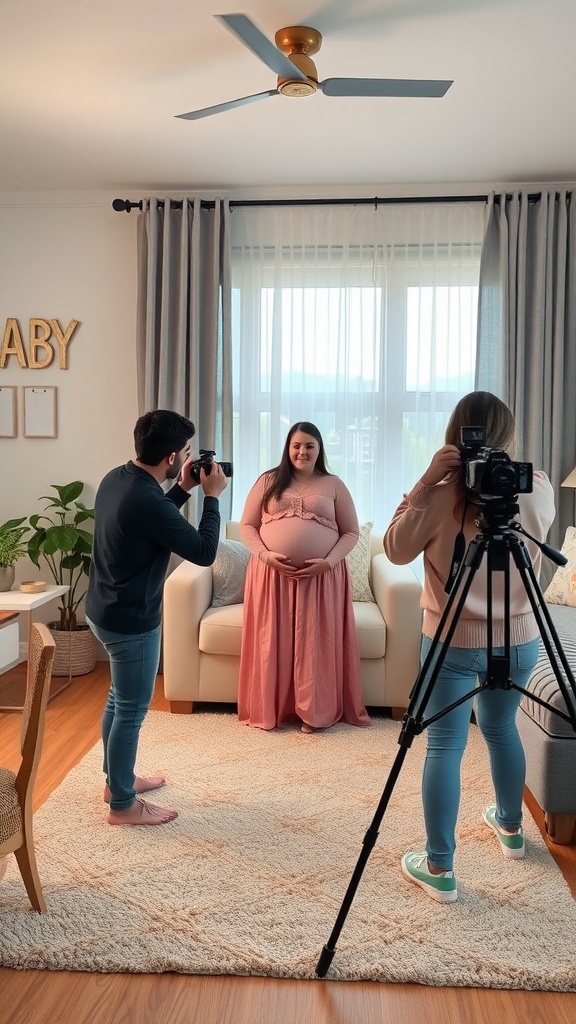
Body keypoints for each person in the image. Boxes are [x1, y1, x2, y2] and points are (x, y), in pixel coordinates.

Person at [383, 391, 555, 903]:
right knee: (502, 729)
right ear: (507, 435)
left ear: (457, 436)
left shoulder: (439, 497)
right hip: (519, 640)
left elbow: (394, 548)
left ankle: (440, 867)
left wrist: (425, 482)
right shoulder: (536, 486)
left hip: (451, 641)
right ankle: (511, 827)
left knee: (445, 746)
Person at [86, 410, 228, 826]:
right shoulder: (146, 498)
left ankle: (117, 781)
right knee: (130, 711)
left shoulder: (118, 478)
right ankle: (123, 805)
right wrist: (213, 497)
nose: (187, 458)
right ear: (170, 457)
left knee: (119, 700)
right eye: (185, 452)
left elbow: (152, 519)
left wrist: (182, 488)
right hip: (131, 621)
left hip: (103, 608)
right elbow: (204, 552)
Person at [238, 421, 371, 733]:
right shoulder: (268, 480)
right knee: (273, 642)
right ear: (288, 448)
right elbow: (247, 526)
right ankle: (276, 709)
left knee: (316, 644)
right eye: (296, 445)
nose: (302, 452)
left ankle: (314, 713)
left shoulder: (334, 484)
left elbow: (351, 532)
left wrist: (328, 562)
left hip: (321, 579)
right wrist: (265, 555)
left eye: (309, 446)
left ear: (319, 449)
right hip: (272, 577)